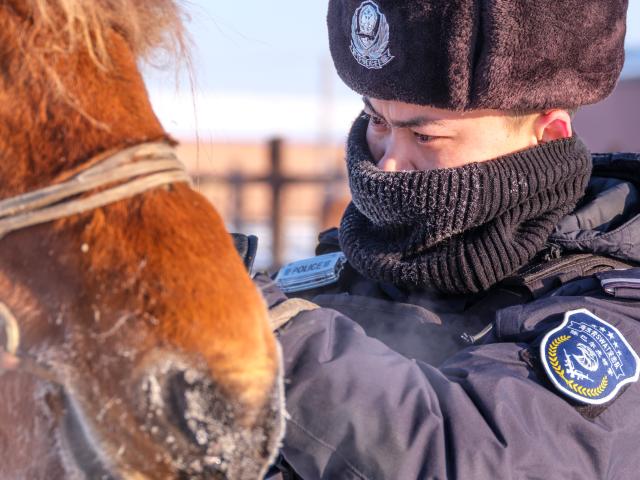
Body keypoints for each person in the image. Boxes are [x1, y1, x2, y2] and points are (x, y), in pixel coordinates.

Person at [259, 0, 640, 478]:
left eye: (426, 137)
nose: (388, 165)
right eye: (378, 122)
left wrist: (258, 337)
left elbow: (470, 455)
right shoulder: (323, 283)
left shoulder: (611, 309)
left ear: (548, 135)